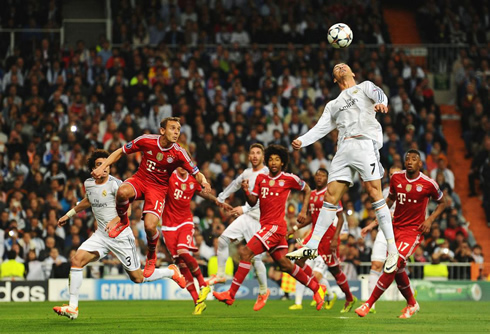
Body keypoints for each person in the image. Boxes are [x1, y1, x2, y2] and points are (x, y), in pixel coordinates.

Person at [285, 63, 399, 274]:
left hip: (365, 143)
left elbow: (380, 94)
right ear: (334, 79)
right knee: (330, 197)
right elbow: (320, 128)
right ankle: (311, 246)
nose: (340, 67)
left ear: (353, 72)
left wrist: (383, 104)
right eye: (337, 67)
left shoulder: (364, 86)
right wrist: (302, 140)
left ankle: (392, 250)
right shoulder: (333, 104)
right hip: (343, 148)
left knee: (375, 193)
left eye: (344, 66)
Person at [53, 150, 186, 320]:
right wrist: (69, 214)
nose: (105, 167)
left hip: (121, 236)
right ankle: (73, 307)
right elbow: (88, 200)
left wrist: (117, 219)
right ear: (93, 169)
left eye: (107, 163)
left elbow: (128, 209)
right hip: (101, 235)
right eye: (100, 164)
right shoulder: (89, 184)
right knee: (76, 260)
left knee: (138, 278)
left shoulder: (117, 184)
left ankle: (170, 272)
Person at [91, 117, 211, 278]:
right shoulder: (146, 140)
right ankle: (123, 220)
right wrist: (103, 167)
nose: (176, 132)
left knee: (149, 226)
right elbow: (120, 151)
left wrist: (203, 181)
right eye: (172, 128)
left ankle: (151, 255)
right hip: (140, 180)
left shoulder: (179, 153)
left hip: (158, 189)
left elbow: (196, 172)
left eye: (178, 129)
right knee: (121, 192)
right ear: (162, 130)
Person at [213, 145, 326, 310]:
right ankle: (317, 288)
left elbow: (307, 189)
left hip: (275, 227)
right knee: (285, 265)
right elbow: (253, 202)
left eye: (277, 159)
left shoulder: (289, 178)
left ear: (282, 163)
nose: (273, 162)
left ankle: (230, 295)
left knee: (245, 253)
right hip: (268, 226)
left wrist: (303, 210)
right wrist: (245, 191)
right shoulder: (261, 179)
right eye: (271, 159)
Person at [355, 149, 446, 318]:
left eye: (414, 159)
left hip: (413, 231)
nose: (410, 161)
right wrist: (379, 215)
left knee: (392, 264)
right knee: (397, 269)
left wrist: (430, 220)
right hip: (394, 229)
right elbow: (390, 200)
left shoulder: (429, 183)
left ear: (420, 164)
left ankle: (368, 304)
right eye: (407, 159)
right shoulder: (396, 178)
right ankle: (412, 304)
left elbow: (443, 202)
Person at [206, 143, 271, 311]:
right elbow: (235, 184)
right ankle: (221, 274)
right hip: (247, 217)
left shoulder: (267, 174)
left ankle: (264, 291)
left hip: (259, 220)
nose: (255, 156)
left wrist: (244, 208)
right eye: (253, 153)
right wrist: (222, 197)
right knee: (222, 240)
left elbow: (264, 201)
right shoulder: (247, 173)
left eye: (258, 153)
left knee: (255, 258)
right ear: (248, 157)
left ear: (263, 157)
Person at [162, 167, 232, 315]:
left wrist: (219, 202)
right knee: (181, 264)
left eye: (184, 164)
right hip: (168, 226)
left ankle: (202, 283)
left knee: (183, 250)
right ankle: (197, 303)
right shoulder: (168, 176)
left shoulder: (193, 180)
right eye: (179, 163)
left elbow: (204, 193)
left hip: (185, 222)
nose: (181, 166)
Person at [288, 168, 357, 312]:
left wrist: (335, 238)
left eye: (323, 175)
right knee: (298, 261)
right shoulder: (312, 194)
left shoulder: (331, 194)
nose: (319, 177)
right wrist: (294, 229)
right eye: (317, 175)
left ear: (327, 178)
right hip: (314, 236)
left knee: (335, 271)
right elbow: (310, 218)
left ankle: (350, 298)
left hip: (328, 236)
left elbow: (340, 218)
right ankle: (318, 287)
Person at [360, 166, 402, 313]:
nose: (392, 177)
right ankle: (371, 304)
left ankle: (409, 296)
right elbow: (381, 214)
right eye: (390, 175)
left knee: (397, 268)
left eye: (396, 174)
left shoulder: (406, 191)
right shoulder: (385, 192)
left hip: (399, 233)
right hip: (383, 232)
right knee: (376, 264)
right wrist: (370, 226)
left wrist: (395, 217)